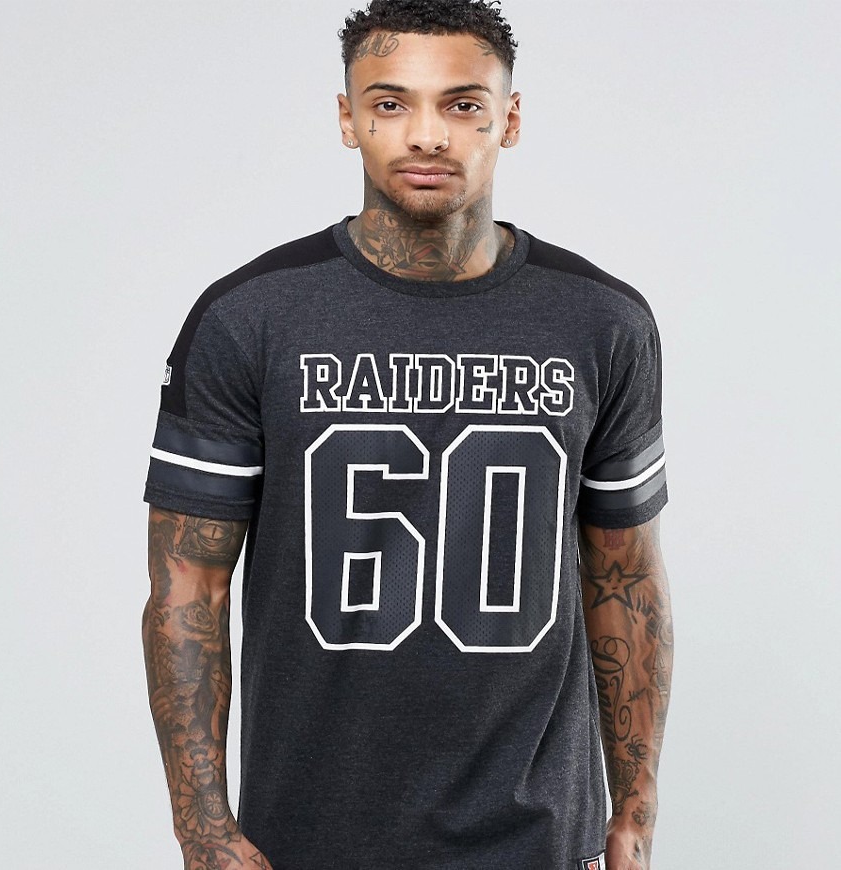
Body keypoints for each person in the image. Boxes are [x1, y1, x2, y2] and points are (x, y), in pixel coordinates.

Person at [141, 1, 674, 868]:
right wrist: (203, 831)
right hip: (309, 834)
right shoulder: (249, 319)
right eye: (390, 103)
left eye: (463, 104)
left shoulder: (603, 323)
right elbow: (186, 588)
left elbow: (626, 577)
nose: (427, 134)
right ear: (346, 118)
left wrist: (636, 814)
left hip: (536, 839)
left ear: (510, 118)